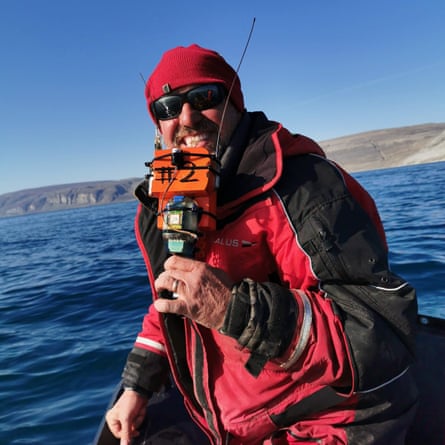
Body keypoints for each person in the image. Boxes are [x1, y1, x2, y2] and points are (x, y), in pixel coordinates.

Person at [105, 44, 418, 444]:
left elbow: (381, 332)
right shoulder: (170, 199)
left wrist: (233, 308)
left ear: (234, 103)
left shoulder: (306, 186)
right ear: (158, 126)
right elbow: (175, 297)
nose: (185, 117)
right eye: (167, 107)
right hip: (239, 425)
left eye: (204, 97)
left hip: (336, 421)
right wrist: (137, 385)